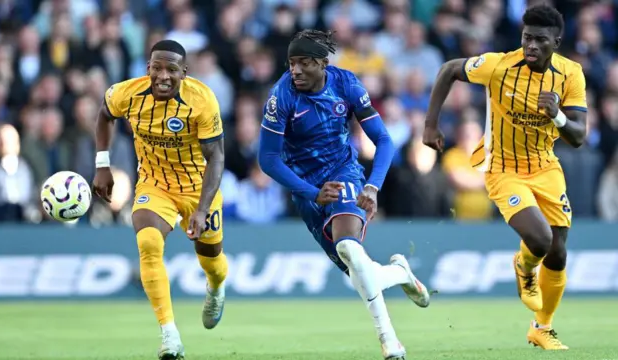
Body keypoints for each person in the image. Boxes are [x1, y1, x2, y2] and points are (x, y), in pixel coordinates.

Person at [258, 29, 430, 360]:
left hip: (343, 174)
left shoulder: (346, 84)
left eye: (304, 63)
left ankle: (389, 341)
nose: (295, 71)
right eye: (291, 63)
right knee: (359, 273)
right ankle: (399, 274)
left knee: (349, 246)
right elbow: (267, 159)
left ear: (322, 64)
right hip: (307, 189)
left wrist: (372, 185)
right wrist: (311, 192)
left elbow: (383, 140)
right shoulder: (281, 97)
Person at [423, 4, 587, 350]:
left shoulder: (571, 74)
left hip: (546, 167)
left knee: (558, 253)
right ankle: (523, 266)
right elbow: (450, 69)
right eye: (527, 38)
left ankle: (542, 328)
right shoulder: (498, 65)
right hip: (502, 167)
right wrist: (430, 124)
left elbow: (579, 136)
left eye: (540, 40)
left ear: (556, 42)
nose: (531, 46)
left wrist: (556, 115)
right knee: (540, 241)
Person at [93, 40, 227, 359]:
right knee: (149, 244)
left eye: (171, 69)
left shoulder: (202, 100)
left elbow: (217, 157)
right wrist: (102, 165)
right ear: (147, 69)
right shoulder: (126, 93)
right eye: (157, 68)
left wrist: (203, 208)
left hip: (198, 188)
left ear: (185, 73)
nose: (163, 76)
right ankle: (170, 336)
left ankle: (217, 287)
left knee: (212, 262)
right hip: (154, 184)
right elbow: (104, 115)